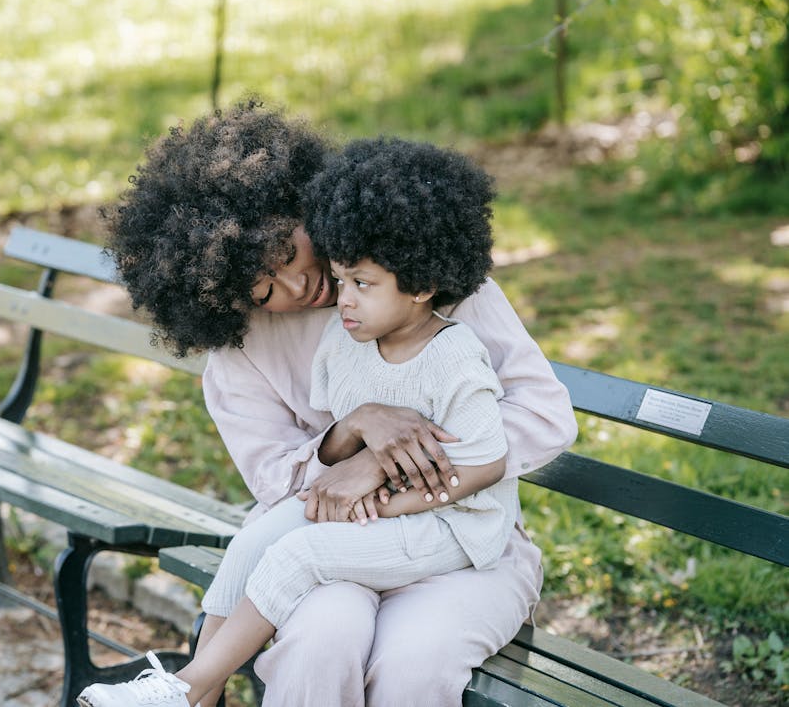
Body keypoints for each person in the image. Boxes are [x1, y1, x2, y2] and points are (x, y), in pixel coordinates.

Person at [94, 98, 576, 707]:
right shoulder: (240, 348)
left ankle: (190, 688)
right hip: (326, 539)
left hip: (460, 550)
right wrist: (349, 433)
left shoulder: (421, 275)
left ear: (295, 202)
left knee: (412, 668)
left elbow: (544, 416)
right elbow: (273, 481)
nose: (303, 286)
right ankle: (188, 689)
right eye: (265, 287)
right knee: (318, 644)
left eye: (290, 253)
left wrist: (382, 461)